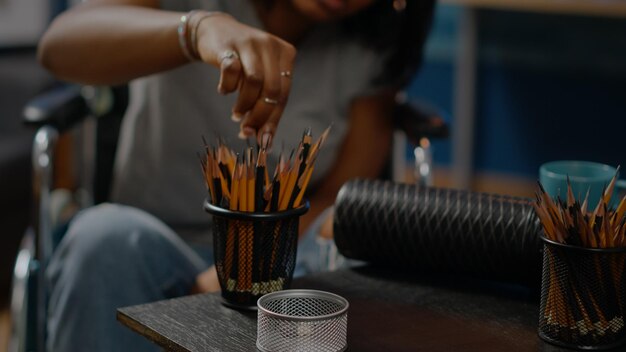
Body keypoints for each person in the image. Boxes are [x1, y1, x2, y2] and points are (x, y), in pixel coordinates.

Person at [37, 0, 435, 350]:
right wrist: (196, 30)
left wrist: (244, 269)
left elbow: (337, 197)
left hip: (286, 265)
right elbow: (58, 47)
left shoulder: (372, 44)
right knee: (103, 238)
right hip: (153, 244)